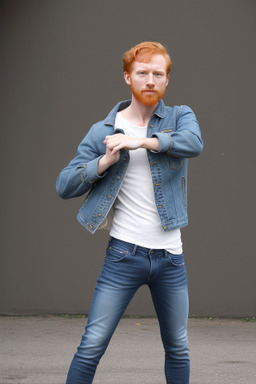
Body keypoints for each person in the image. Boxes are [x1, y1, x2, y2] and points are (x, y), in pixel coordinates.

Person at [56, 41, 203, 384]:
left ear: (166, 80)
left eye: (158, 73)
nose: (150, 80)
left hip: (170, 259)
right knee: (91, 344)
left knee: (179, 347)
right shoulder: (103, 131)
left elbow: (193, 143)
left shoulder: (181, 116)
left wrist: (143, 142)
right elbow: (64, 185)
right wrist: (103, 162)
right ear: (127, 77)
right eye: (142, 73)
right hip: (123, 256)